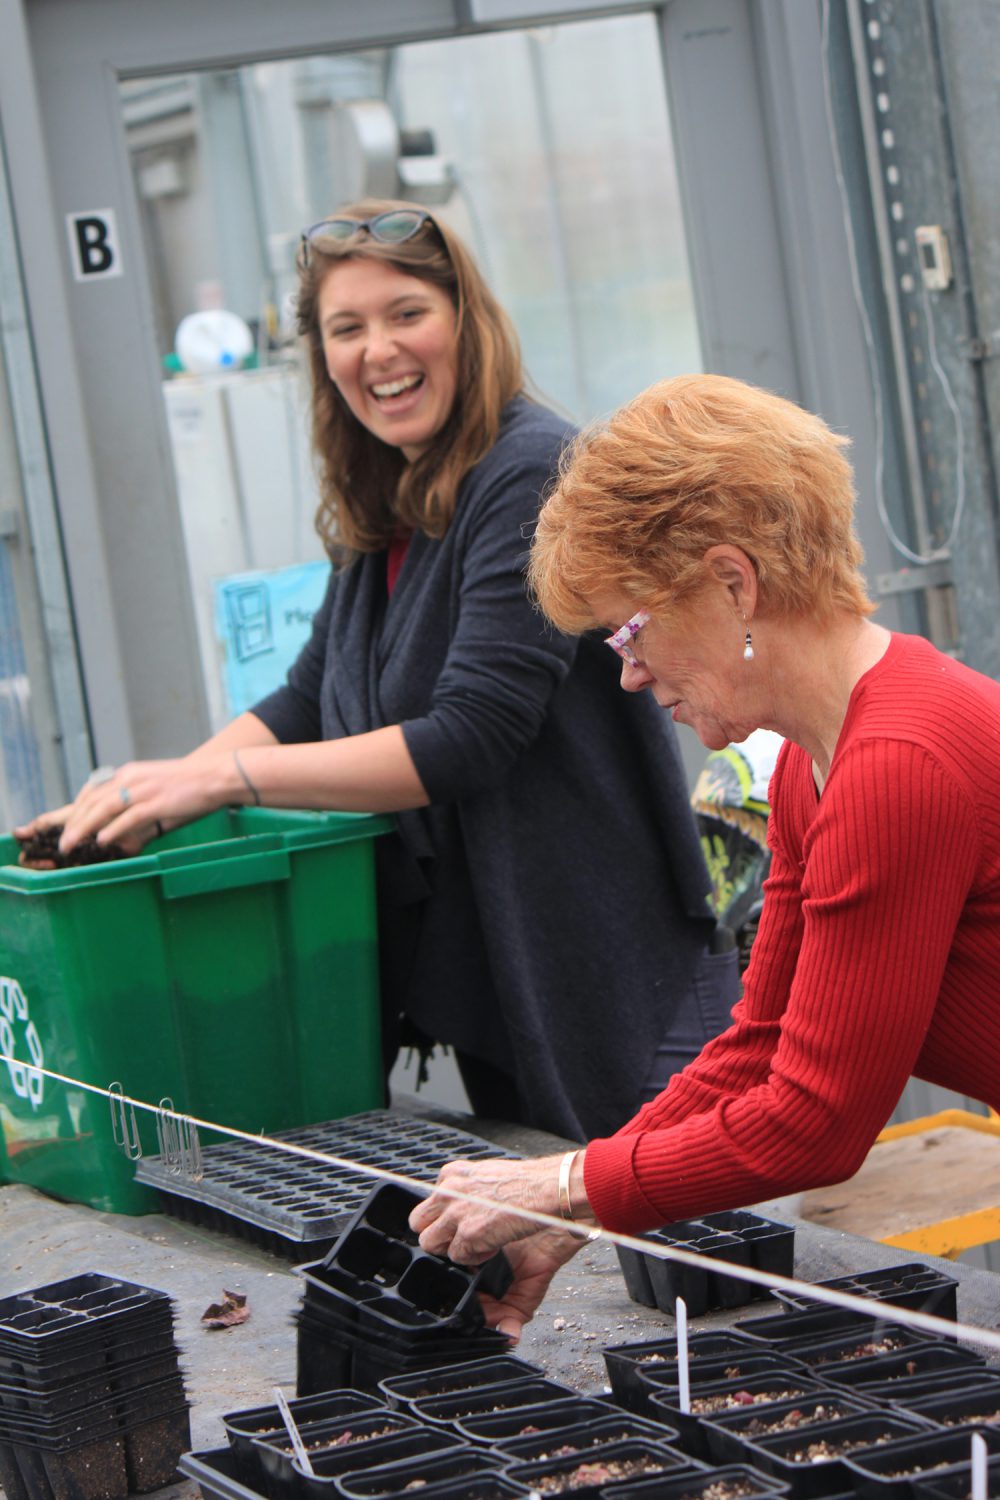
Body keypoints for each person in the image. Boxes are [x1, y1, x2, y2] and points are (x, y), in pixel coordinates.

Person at [16, 203, 738, 1142]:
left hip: (600, 974)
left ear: (464, 322)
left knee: (660, 1268)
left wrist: (215, 783)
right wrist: (149, 797)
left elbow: (469, 736)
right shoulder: (397, 492)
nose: (379, 350)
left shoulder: (527, 472)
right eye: (345, 328)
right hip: (500, 972)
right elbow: (311, 696)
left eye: (405, 313)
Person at [409, 371, 1000, 1343]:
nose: (630, 672)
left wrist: (565, 1181)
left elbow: (816, 1121)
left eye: (630, 630)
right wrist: (571, 1215)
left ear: (733, 583)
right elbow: (758, 1044)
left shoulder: (897, 763)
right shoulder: (823, 764)